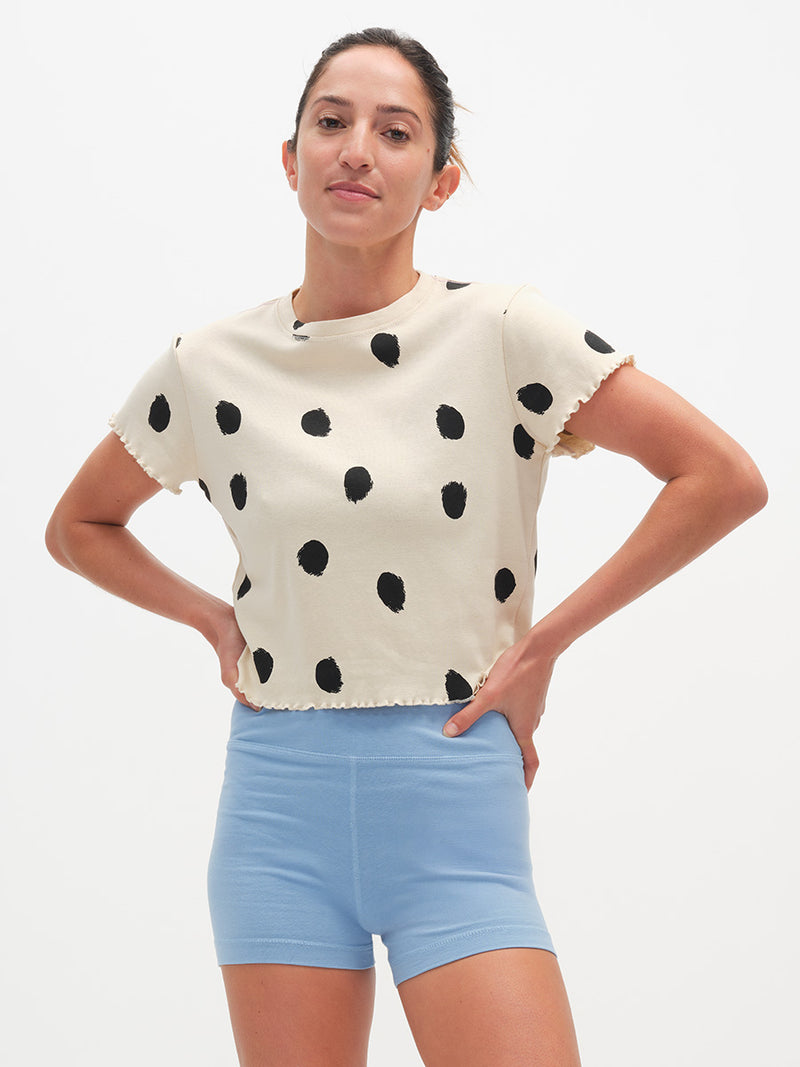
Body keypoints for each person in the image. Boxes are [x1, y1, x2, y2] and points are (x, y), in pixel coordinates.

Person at [45, 26, 767, 1067]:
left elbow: (719, 478)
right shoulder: (206, 365)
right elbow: (78, 525)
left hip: (452, 801)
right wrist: (211, 617)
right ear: (288, 159)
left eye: (395, 132)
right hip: (274, 806)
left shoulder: (505, 330)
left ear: (439, 182)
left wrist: (540, 646)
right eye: (330, 123)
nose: (355, 150)